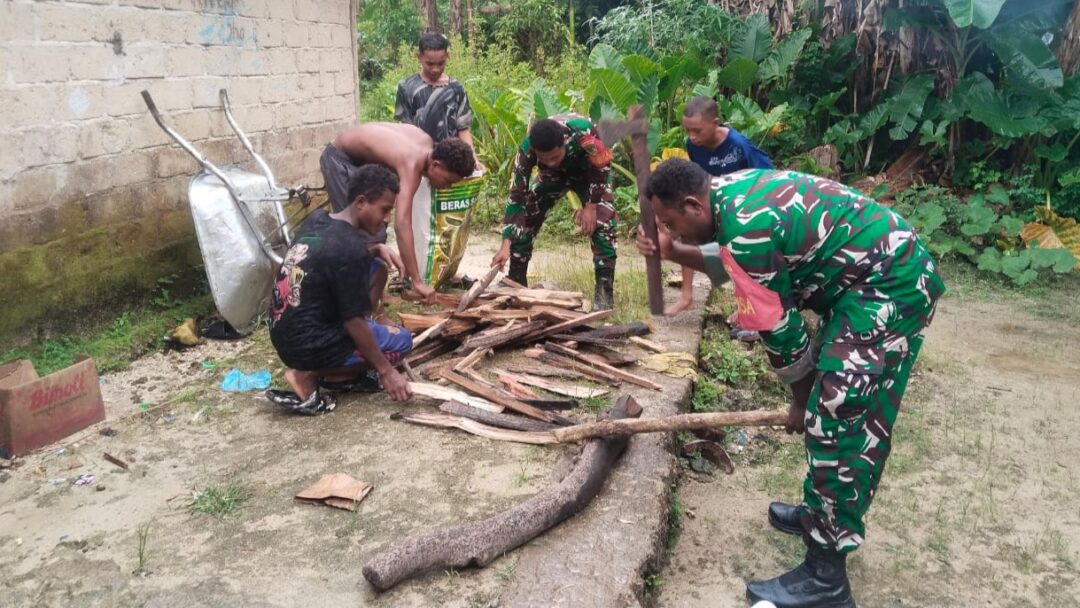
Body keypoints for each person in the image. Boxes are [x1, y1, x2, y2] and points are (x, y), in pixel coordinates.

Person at [637, 159, 944, 608]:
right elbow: (733, 261)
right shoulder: (723, 194)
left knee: (837, 417)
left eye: (671, 223)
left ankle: (826, 575)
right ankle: (818, 514)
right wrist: (670, 249)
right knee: (831, 407)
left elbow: (782, 332)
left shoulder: (746, 228)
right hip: (869, 278)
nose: (671, 231)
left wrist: (804, 402)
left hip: (889, 285)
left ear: (692, 204)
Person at [267, 165, 414, 415]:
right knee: (402, 342)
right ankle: (309, 373)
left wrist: (375, 249)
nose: (387, 218)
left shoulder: (318, 219)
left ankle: (336, 363)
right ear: (361, 202)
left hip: (284, 332)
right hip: (308, 345)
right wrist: (386, 372)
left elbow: (325, 260)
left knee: (377, 267)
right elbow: (353, 321)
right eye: (385, 209)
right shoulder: (349, 248)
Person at [319, 123, 475, 303]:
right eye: (448, 181)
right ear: (436, 165)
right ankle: (364, 298)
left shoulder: (426, 143)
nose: (447, 187)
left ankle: (374, 289)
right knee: (363, 227)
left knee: (377, 226)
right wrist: (418, 282)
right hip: (340, 158)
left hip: (363, 162)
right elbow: (402, 224)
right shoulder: (412, 163)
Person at [490, 115, 618, 309]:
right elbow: (517, 196)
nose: (550, 162)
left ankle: (604, 293)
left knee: (604, 219)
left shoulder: (581, 132)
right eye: (544, 159)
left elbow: (602, 162)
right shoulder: (527, 150)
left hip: (590, 173)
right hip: (553, 178)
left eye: (556, 157)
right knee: (527, 210)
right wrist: (506, 242)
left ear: (564, 143)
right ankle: (516, 278)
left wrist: (591, 206)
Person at [667, 95, 774, 320]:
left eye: (697, 130)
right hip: (713, 204)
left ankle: (745, 304)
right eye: (688, 131)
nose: (692, 137)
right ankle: (687, 296)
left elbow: (768, 178)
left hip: (744, 210)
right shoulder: (692, 146)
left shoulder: (739, 145)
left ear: (715, 123)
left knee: (740, 253)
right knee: (689, 233)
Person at [395, 32, 477, 152]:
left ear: (447, 56)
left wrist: (472, 158)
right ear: (419, 57)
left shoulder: (456, 88)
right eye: (430, 64)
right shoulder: (407, 87)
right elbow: (405, 129)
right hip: (418, 156)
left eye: (441, 63)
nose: (435, 69)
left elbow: (463, 129)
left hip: (451, 159)